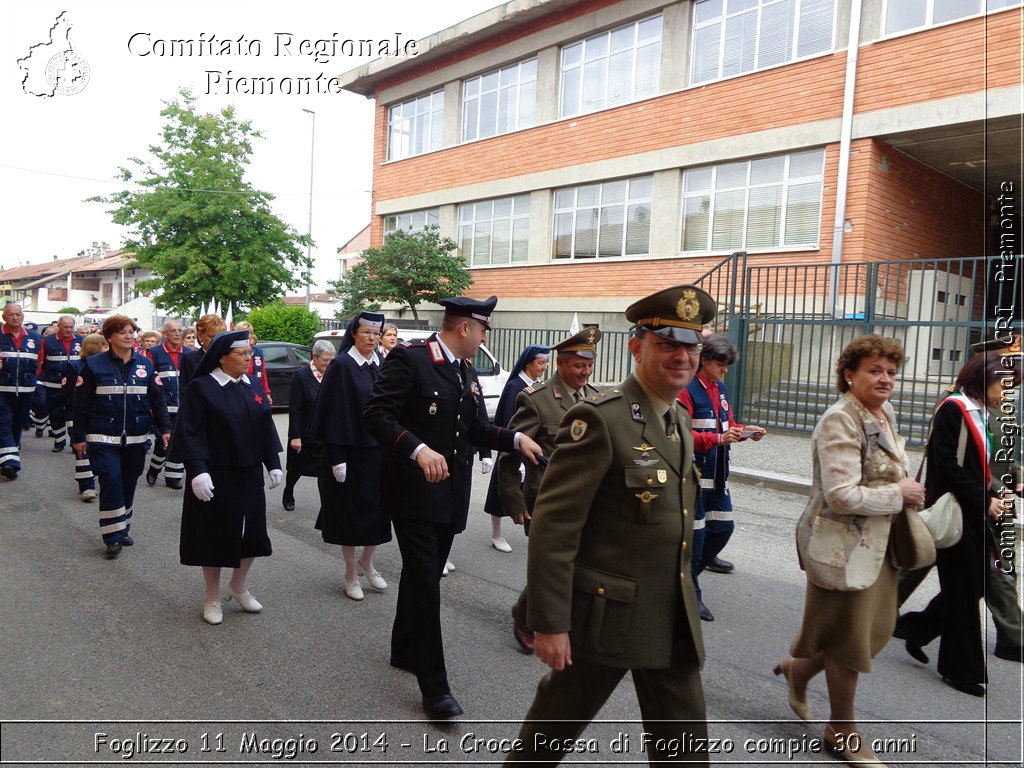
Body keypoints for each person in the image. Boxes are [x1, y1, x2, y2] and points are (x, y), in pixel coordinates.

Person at [506, 286, 714, 767]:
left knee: (686, 750)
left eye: (691, 346)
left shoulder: (676, 418)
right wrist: (551, 624)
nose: (682, 356)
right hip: (606, 621)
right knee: (547, 738)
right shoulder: (600, 419)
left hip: (670, 617)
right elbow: (555, 530)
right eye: (668, 344)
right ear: (637, 347)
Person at [363, 295, 542, 720]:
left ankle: (404, 650)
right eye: (483, 330)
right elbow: (377, 415)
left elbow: (476, 428)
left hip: (450, 495)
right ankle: (435, 689)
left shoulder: (463, 371)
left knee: (420, 576)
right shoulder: (411, 360)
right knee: (427, 584)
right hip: (412, 492)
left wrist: (515, 440)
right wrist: (417, 449)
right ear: (465, 328)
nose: (484, 338)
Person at [777, 334, 924, 766]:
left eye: (891, 373)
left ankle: (797, 670)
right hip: (841, 548)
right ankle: (842, 729)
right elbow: (841, 495)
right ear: (849, 375)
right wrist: (900, 492)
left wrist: (903, 488)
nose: (885, 380)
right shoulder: (840, 420)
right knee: (849, 641)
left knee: (868, 634)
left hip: (879, 545)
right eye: (875, 371)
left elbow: (888, 467)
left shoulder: (884, 412)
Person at [895, 351, 1021, 696]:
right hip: (954, 511)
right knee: (966, 590)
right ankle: (959, 669)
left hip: (975, 512)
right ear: (985, 378)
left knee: (974, 584)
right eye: (1005, 386)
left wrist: (1004, 487)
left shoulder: (984, 413)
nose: (1008, 394)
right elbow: (947, 466)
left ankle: (915, 628)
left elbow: (984, 466)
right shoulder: (953, 408)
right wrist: (985, 498)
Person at [497, 331, 602, 653]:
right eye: (578, 365)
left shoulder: (597, 398)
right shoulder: (536, 398)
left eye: (589, 365)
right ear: (561, 362)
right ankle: (526, 615)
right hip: (547, 496)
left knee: (581, 559)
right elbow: (509, 454)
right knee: (554, 562)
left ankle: (559, 616)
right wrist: (513, 501)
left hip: (589, 497)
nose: (584, 372)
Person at [169, 330, 284, 625]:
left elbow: (264, 425)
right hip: (216, 472)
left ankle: (238, 586)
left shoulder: (252, 385)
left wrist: (273, 462)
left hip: (248, 472)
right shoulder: (202, 388)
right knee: (215, 535)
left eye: (250, 353)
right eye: (242, 354)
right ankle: (212, 596)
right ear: (222, 357)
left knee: (253, 534)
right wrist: (197, 470)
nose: (250, 358)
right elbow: (190, 430)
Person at [677, 334, 767, 622]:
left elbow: (726, 425)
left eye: (728, 365)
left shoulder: (720, 387)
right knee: (697, 538)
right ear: (704, 359)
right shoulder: (686, 389)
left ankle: (680, 583)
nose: (725, 370)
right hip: (694, 477)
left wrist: (744, 431)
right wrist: (717, 438)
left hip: (717, 477)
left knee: (723, 530)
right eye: (721, 364)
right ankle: (690, 595)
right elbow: (679, 436)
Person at [71, 315, 172, 559]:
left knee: (127, 483)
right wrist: (78, 436)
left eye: (131, 332)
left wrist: (166, 429)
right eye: (123, 332)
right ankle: (112, 537)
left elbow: (157, 401)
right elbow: (81, 405)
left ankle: (122, 526)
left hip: (136, 438)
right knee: (111, 481)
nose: (129, 336)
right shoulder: (94, 365)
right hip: (103, 437)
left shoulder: (145, 365)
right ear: (110, 336)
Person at [309, 312, 390, 600]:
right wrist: (336, 456)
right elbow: (332, 412)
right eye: (366, 332)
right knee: (351, 515)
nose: (372, 338)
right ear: (354, 333)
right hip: (350, 452)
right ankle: (350, 573)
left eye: (376, 333)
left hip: (378, 451)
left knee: (379, 512)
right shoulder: (342, 365)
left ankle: (367, 562)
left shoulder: (379, 363)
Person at [482, 345, 549, 554]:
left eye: (546, 363)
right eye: (541, 363)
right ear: (529, 362)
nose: (544, 368)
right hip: (513, 444)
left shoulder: (538, 386)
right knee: (500, 488)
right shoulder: (515, 386)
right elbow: (505, 420)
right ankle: (496, 534)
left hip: (532, 445)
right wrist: (512, 451)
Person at [282, 339, 335, 511]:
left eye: (331, 360)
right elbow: (295, 408)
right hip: (304, 435)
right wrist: (295, 436)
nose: (328, 364)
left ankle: (326, 507)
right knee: (296, 469)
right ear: (314, 357)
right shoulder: (301, 375)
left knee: (323, 472)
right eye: (325, 360)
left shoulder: (332, 375)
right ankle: (288, 491)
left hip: (324, 434)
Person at [145, 320, 194, 489]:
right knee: (163, 442)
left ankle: (173, 477)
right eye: (173, 331)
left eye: (180, 331)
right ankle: (154, 469)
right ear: (165, 334)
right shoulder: (154, 353)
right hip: (163, 406)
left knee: (179, 441)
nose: (177, 334)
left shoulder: (189, 353)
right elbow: (150, 381)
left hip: (184, 406)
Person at [58, 333, 107, 501]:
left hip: (101, 416)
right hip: (78, 415)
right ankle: (87, 486)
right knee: (82, 449)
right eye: (105, 345)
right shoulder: (75, 366)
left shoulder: (106, 366)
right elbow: (67, 393)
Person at [0, 303, 43, 479]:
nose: (15, 318)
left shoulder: (34, 337)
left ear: (23, 316)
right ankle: (10, 463)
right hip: (1, 389)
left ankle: (9, 453)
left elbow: (40, 363)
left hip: (26, 390)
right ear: (4, 317)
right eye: (11, 315)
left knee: (18, 424)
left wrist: (32, 378)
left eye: (18, 314)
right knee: (3, 422)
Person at [36, 315, 83, 453]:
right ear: (59, 326)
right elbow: (41, 361)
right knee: (55, 414)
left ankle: (74, 442)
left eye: (71, 327)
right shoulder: (47, 341)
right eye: (65, 327)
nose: (69, 330)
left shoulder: (81, 340)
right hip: (53, 384)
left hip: (74, 387)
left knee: (74, 415)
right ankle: (59, 440)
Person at [179, 314, 226, 392]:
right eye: (211, 337)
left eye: (220, 337)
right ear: (200, 336)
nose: (216, 341)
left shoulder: (228, 357)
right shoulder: (189, 358)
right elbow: (184, 389)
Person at [234, 321, 272, 404]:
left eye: (249, 332)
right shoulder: (233, 351)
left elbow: (262, 374)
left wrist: (267, 393)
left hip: (255, 388)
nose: (247, 334)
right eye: (243, 332)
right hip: (239, 388)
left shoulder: (258, 352)